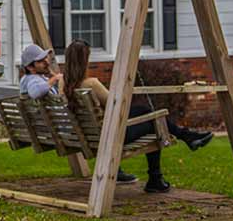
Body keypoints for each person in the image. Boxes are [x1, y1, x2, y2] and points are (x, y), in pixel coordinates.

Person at [61, 38, 214, 193]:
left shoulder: (63, 84)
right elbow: (117, 107)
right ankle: (159, 174)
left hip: (90, 135)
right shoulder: (91, 83)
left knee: (143, 110)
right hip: (111, 135)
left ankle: (187, 138)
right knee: (155, 124)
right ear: (84, 60)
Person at [17, 43, 139, 184]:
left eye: (46, 58)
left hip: (56, 130)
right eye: (40, 61)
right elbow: (35, 92)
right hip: (65, 131)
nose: (46, 62)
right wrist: (54, 79)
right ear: (30, 67)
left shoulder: (33, 79)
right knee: (131, 113)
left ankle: (117, 171)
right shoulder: (32, 80)